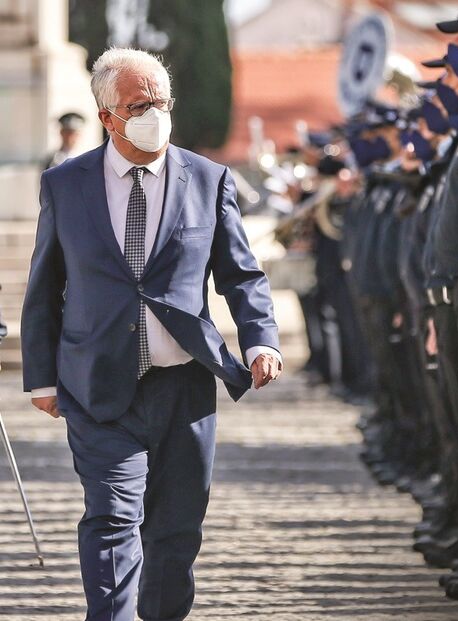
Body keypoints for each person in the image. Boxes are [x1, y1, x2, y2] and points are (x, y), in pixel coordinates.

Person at [20, 48, 282, 621]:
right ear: (106, 115)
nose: (154, 114)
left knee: (176, 527)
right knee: (112, 517)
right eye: (139, 104)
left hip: (184, 388)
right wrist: (39, 376)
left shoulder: (208, 179)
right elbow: (45, 286)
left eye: (162, 102)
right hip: (98, 386)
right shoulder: (66, 184)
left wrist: (261, 339)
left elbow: (242, 273)